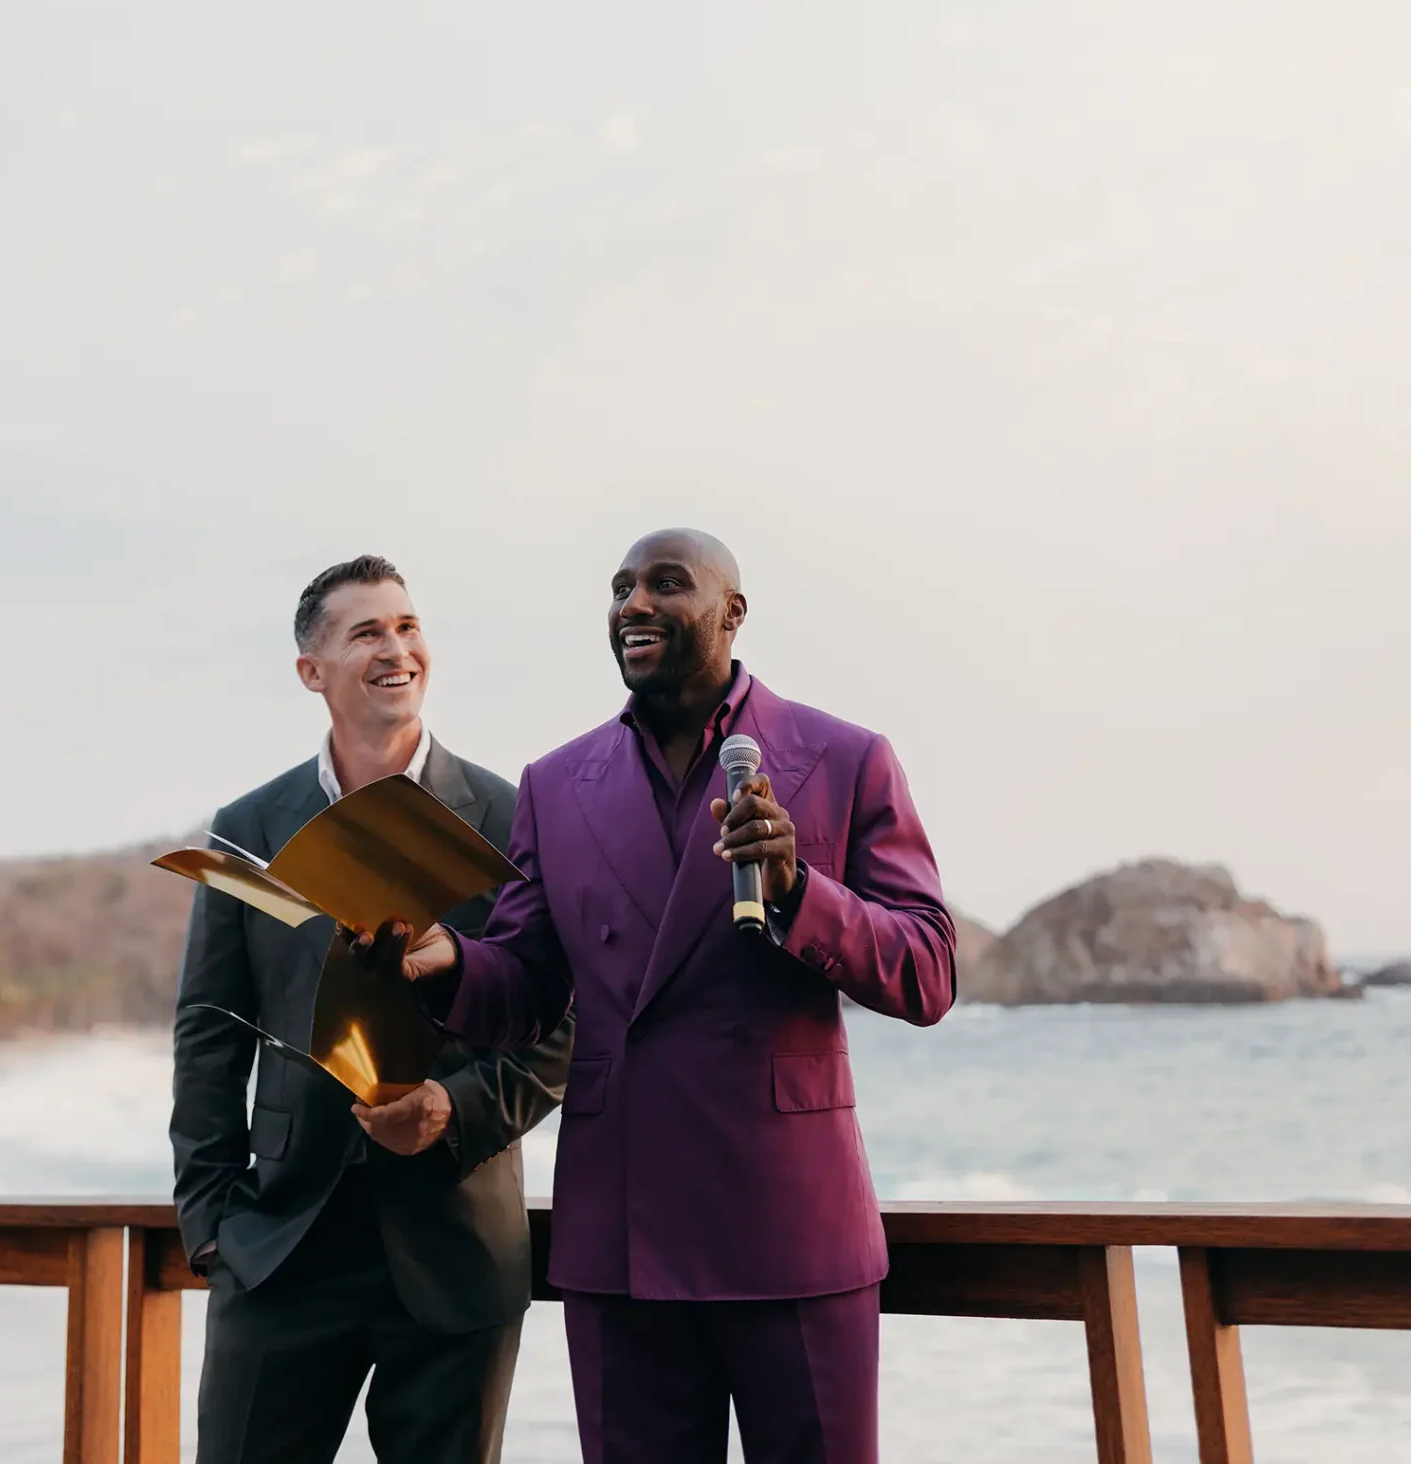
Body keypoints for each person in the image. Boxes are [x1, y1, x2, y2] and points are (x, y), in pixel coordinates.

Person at [378, 527, 955, 1464]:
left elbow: (928, 969)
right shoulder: (556, 785)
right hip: (621, 1233)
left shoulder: (845, 758)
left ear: (732, 613)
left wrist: (801, 893)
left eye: (665, 584)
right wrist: (444, 961)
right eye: (618, 589)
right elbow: (525, 987)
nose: (632, 605)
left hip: (789, 1224)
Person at [172, 553, 573, 1464]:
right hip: (278, 1245)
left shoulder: (516, 817)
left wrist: (454, 1110)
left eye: (407, 627)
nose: (397, 649)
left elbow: (570, 1021)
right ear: (313, 671)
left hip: (458, 1243)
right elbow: (207, 1030)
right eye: (366, 633)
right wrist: (209, 1222)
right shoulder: (249, 827)